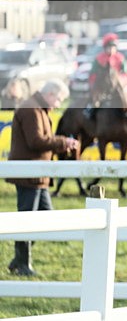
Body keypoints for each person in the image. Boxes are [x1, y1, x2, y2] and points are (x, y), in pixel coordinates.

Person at [5, 80, 80, 276]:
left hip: (37, 174)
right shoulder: (32, 109)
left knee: (46, 218)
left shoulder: (37, 108)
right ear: (50, 94)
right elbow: (35, 141)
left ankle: (18, 259)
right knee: (29, 219)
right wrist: (64, 142)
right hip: (29, 174)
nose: (57, 105)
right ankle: (22, 264)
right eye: (58, 100)